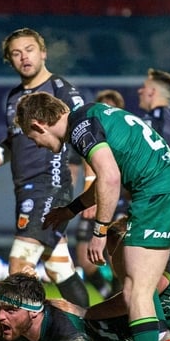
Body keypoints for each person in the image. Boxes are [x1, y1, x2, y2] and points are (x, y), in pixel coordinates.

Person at [15, 92, 170, 341]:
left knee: (135, 291)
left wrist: (100, 231)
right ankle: (162, 336)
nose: (36, 144)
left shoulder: (79, 127)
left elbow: (110, 177)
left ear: (39, 123)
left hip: (158, 197)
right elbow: (110, 174)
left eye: (33, 137)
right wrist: (71, 209)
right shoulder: (95, 114)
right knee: (140, 277)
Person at [0, 28, 89, 308]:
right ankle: (91, 328)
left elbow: (87, 136)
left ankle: (14, 337)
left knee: (18, 264)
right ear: (9, 60)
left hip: (50, 186)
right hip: (26, 191)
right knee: (59, 268)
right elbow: (12, 143)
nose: (23, 57)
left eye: (29, 49)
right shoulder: (15, 97)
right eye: (16, 53)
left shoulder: (61, 89)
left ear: (43, 52)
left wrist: (90, 185)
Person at [72, 89, 126, 299]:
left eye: (110, 108)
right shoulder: (86, 133)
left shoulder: (121, 136)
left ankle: (119, 302)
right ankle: (108, 297)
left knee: (116, 259)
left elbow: (113, 174)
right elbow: (77, 166)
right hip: (92, 199)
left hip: (117, 202)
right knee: (84, 260)